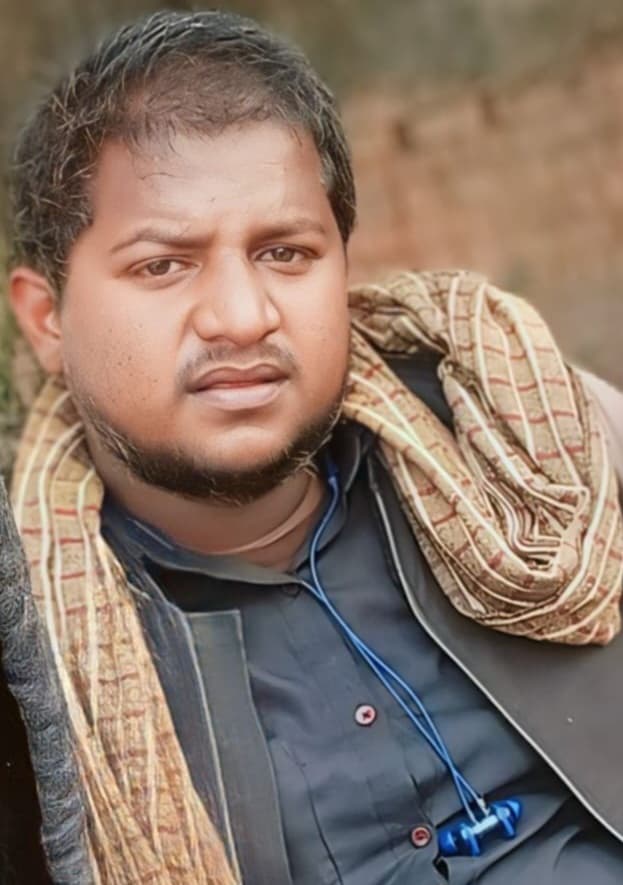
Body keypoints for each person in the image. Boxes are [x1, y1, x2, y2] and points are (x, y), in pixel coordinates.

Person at [3, 9, 623, 884]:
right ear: (46, 320)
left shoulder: (524, 440)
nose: (241, 316)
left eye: (284, 253)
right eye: (163, 264)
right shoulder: (34, 655)